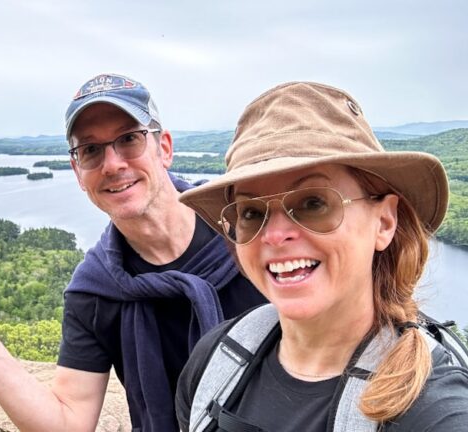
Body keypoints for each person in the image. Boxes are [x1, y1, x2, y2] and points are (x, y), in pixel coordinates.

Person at [0, 73, 266, 432]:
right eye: (91, 150)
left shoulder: (246, 228)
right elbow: (67, 422)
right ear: (78, 172)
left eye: (129, 139)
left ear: (165, 148)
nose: (112, 165)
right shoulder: (97, 290)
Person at [175, 81, 468, 431]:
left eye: (313, 203)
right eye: (251, 212)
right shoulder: (214, 365)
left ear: (384, 222)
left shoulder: (434, 413)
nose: (274, 235)